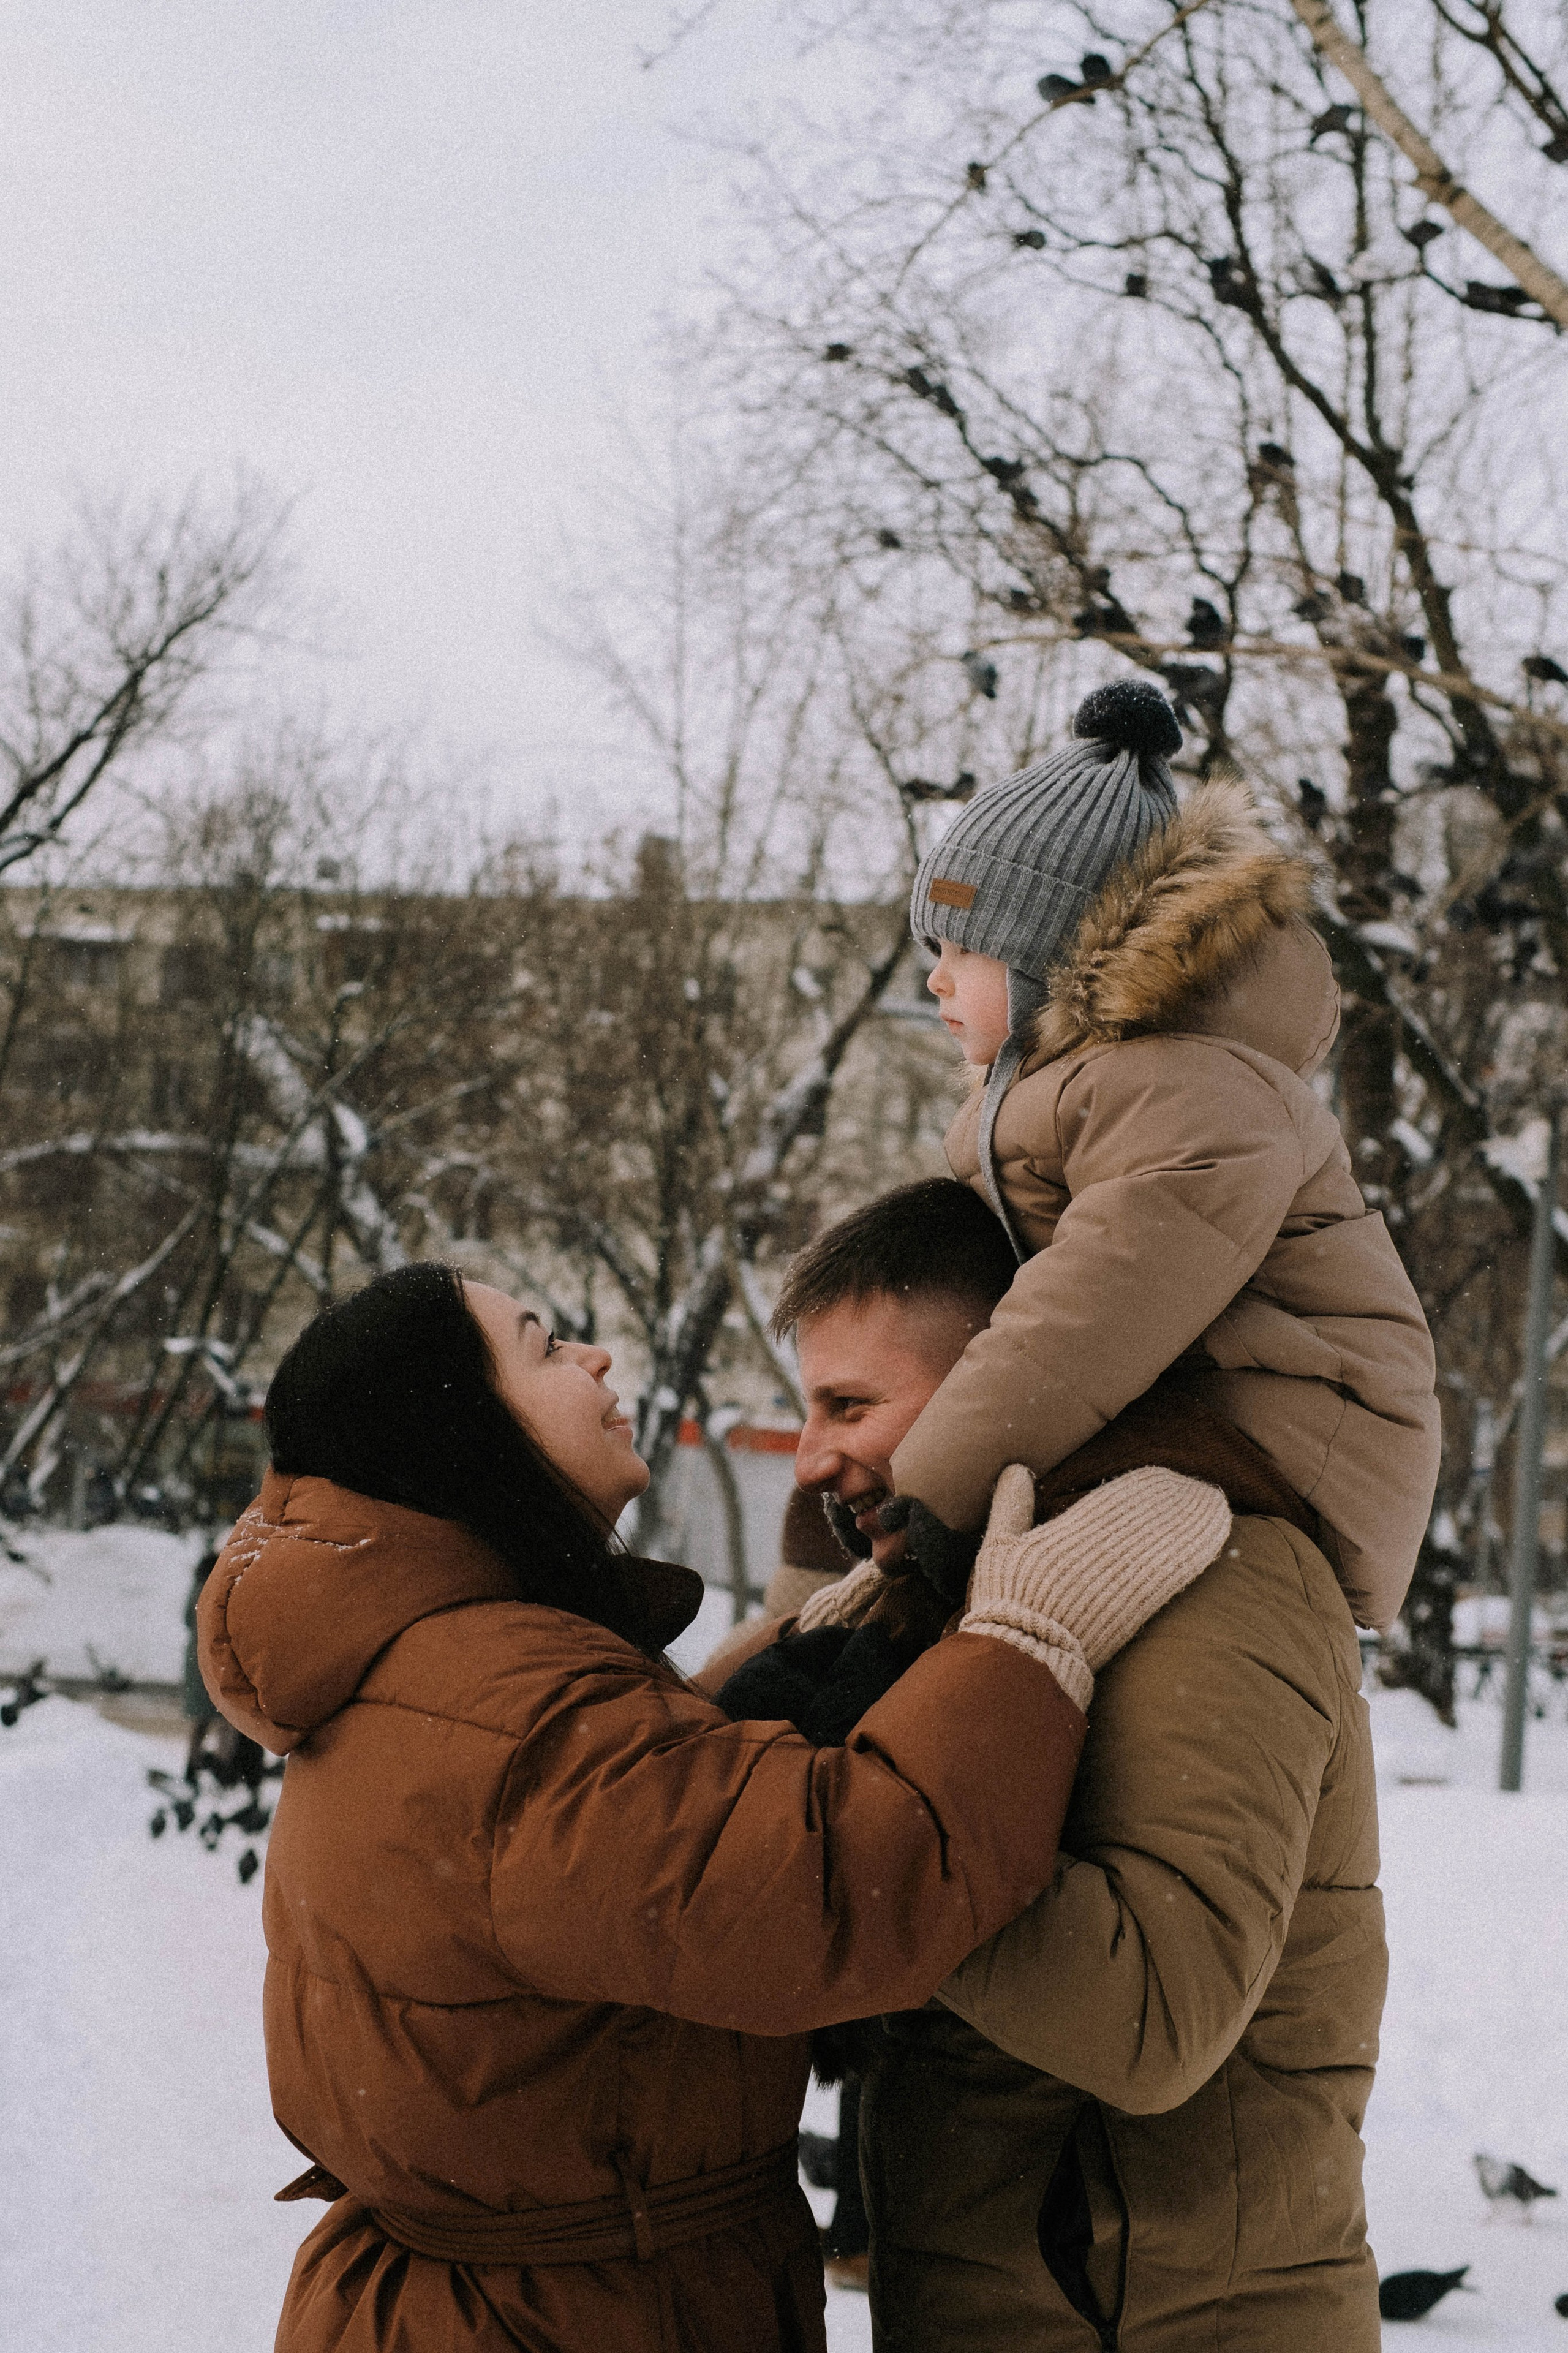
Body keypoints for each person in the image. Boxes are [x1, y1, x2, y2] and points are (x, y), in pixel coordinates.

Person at [196, 1260, 1226, 2353]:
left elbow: (641, 1832)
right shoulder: (510, 1712)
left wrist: (798, 1639)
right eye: (544, 1345)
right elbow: (841, 1883)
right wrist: (1026, 1639)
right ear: (460, 1432)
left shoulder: (456, 1662)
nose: (593, 1357)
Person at [725, 1179, 1386, 2350]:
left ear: (1002, 1376)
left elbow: (1155, 2015)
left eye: (848, 1405)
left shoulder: (1216, 1569)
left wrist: (866, 1829)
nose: (812, 1456)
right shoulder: (942, 1592)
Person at [883, 676, 1440, 1636]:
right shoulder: (1071, 1091)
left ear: (1053, 957)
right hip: (1204, 1413)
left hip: (1299, 1431)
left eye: (963, 946)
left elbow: (1097, 1304)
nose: (934, 972)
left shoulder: (1189, 1092)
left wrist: (935, 1484)